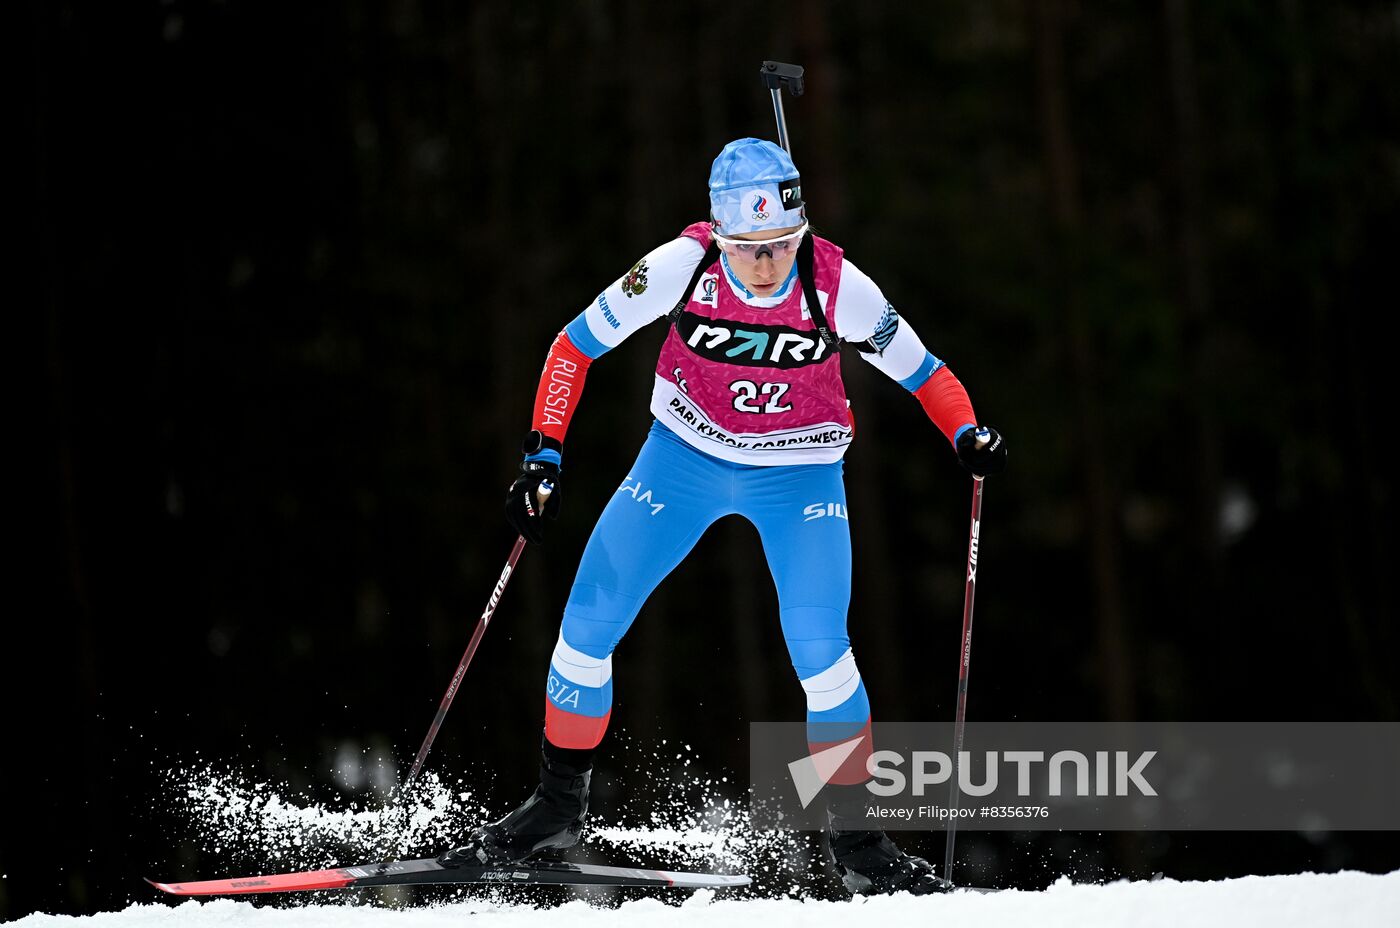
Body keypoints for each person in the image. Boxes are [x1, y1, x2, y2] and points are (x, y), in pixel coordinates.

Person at [440, 138, 1007, 895]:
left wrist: (966, 433)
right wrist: (543, 458)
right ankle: (554, 805)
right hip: (682, 462)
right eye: (748, 249)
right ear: (718, 233)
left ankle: (859, 840)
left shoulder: (837, 284)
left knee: (820, 647)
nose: (765, 263)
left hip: (800, 472)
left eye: (779, 245)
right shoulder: (681, 266)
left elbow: (924, 372)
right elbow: (573, 347)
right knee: (586, 627)